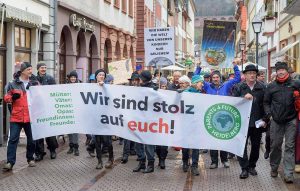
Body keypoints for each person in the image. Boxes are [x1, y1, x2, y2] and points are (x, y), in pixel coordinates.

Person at [264, 62, 300, 183]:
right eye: (278, 70)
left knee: (289, 146)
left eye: (282, 70)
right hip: (276, 120)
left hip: (291, 120)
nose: (280, 72)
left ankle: (288, 173)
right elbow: (266, 102)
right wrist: (269, 115)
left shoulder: (295, 84)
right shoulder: (271, 86)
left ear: (286, 71)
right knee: (275, 145)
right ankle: (274, 167)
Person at [202, 61, 241, 169]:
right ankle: (214, 162)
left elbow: (238, 78)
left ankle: (224, 160)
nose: (215, 79)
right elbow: (196, 79)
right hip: (212, 117)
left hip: (224, 116)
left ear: (220, 78)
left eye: (217, 77)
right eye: (213, 77)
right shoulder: (207, 86)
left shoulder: (227, 85)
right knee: (213, 140)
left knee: (224, 140)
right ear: (211, 78)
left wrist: (235, 66)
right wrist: (198, 68)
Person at [3, 62, 39, 171]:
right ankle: (10, 162)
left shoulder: (35, 83)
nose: (31, 71)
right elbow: (6, 97)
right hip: (16, 117)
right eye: (29, 69)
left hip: (30, 116)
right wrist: (12, 98)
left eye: (31, 69)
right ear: (22, 71)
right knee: (13, 140)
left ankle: (30, 158)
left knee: (32, 140)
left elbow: (41, 97)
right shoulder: (12, 83)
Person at [233, 64, 266, 179]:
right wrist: (243, 97)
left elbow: (266, 104)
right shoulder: (238, 87)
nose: (252, 75)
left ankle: (252, 166)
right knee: (241, 146)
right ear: (245, 75)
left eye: (253, 73)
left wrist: (265, 119)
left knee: (256, 146)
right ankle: (244, 168)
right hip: (242, 122)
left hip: (257, 122)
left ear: (256, 75)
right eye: (249, 73)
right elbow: (233, 103)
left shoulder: (262, 87)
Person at [133, 70, 157, 173]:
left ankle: (150, 164)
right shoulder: (139, 88)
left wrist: (157, 92)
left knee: (149, 144)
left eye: (140, 78)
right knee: (137, 143)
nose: (139, 80)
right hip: (139, 119)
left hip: (150, 121)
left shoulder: (154, 88)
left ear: (143, 79)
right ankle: (141, 162)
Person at [34, 63, 59, 161]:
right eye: (42, 67)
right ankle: (40, 153)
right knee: (39, 133)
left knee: (50, 132)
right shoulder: (34, 79)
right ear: (38, 69)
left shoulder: (50, 78)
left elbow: (54, 92)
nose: (44, 69)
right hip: (37, 110)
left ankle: (52, 150)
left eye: (45, 67)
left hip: (48, 109)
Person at [182, 75, 204, 176]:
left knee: (196, 146)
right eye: (201, 82)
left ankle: (194, 165)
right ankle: (185, 163)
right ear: (195, 83)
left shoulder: (201, 94)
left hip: (197, 124)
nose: (202, 84)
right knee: (185, 145)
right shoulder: (186, 93)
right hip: (186, 124)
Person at [94, 69, 114, 169]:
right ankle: (99, 161)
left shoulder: (108, 88)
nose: (101, 76)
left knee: (107, 141)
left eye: (103, 75)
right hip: (96, 119)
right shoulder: (90, 88)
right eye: (99, 75)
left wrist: (105, 87)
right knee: (97, 142)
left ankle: (111, 158)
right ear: (96, 77)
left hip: (106, 119)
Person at [120, 73, 139, 164]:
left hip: (137, 116)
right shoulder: (126, 90)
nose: (134, 82)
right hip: (128, 116)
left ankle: (134, 151)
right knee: (127, 136)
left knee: (136, 135)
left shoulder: (142, 90)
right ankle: (125, 154)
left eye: (136, 80)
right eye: (133, 80)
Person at [155, 77, 169, 169]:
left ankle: (163, 160)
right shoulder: (155, 95)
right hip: (156, 123)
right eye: (161, 86)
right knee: (157, 145)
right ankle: (159, 158)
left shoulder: (169, 95)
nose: (163, 88)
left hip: (166, 123)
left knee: (164, 145)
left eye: (164, 86)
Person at [66, 71, 80, 156]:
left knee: (75, 130)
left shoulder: (79, 86)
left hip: (76, 111)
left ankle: (76, 147)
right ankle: (71, 146)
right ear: (69, 78)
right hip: (68, 110)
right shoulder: (65, 86)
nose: (73, 79)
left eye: (74, 77)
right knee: (69, 130)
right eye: (72, 77)